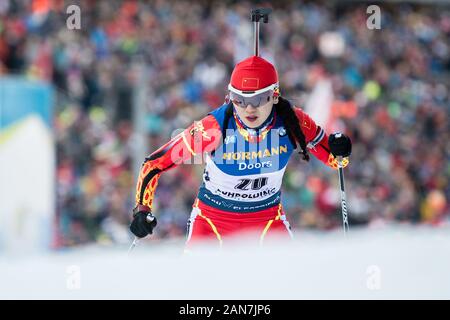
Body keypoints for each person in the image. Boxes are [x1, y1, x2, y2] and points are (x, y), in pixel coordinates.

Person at [129, 55, 352, 248]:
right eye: (240, 99)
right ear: (230, 97)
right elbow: (155, 163)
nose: (249, 108)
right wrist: (142, 209)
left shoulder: (292, 122)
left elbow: (336, 160)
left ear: (274, 96)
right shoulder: (212, 128)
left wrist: (340, 149)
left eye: (257, 99)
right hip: (212, 221)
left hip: (266, 220)